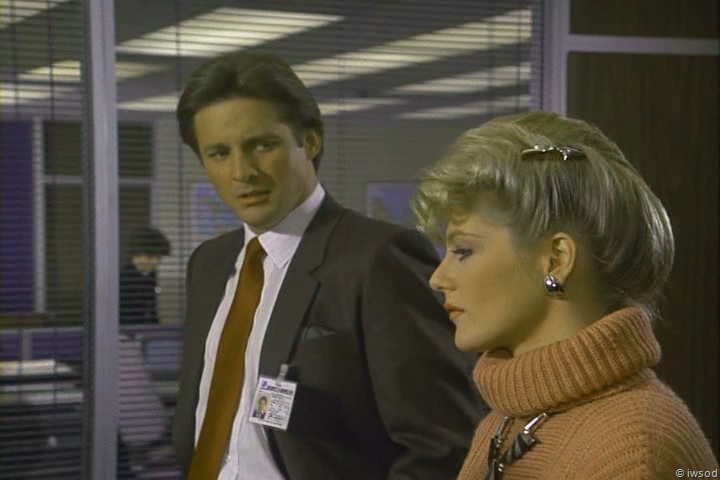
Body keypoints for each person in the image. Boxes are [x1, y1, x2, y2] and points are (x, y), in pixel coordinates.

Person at [172, 51, 484, 480]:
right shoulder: (209, 264)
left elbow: (442, 445)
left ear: (311, 141)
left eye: (262, 145)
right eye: (219, 153)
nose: (242, 171)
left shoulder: (377, 259)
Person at [412, 110, 719, 479]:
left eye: (463, 251)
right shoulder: (507, 421)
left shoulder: (634, 452)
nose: (438, 279)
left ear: (556, 260)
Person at [119, 227, 171, 325]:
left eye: (158, 258)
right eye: (150, 257)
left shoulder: (151, 274)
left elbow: (151, 309)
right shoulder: (123, 276)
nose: (155, 262)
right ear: (136, 254)